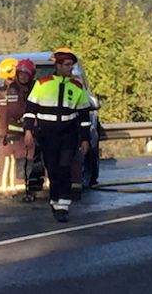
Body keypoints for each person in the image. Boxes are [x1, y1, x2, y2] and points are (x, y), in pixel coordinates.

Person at [23, 47, 92, 222]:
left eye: (71, 65)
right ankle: (55, 200)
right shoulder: (42, 84)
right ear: (59, 65)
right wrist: (28, 132)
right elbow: (30, 110)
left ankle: (63, 205)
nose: (70, 68)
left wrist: (85, 139)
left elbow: (84, 116)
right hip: (47, 134)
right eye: (67, 64)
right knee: (52, 169)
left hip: (68, 134)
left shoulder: (77, 87)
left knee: (64, 168)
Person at [0, 58, 36, 200]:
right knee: (13, 161)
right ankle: (12, 189)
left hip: (21, 133)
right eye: (20, 73)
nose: (23, 76)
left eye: (26, 74)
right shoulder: (10, 91)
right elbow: (11, 111)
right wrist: (4, 132)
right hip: (13, 133)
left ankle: (17, 188)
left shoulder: (26, 89)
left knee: (20, 161)